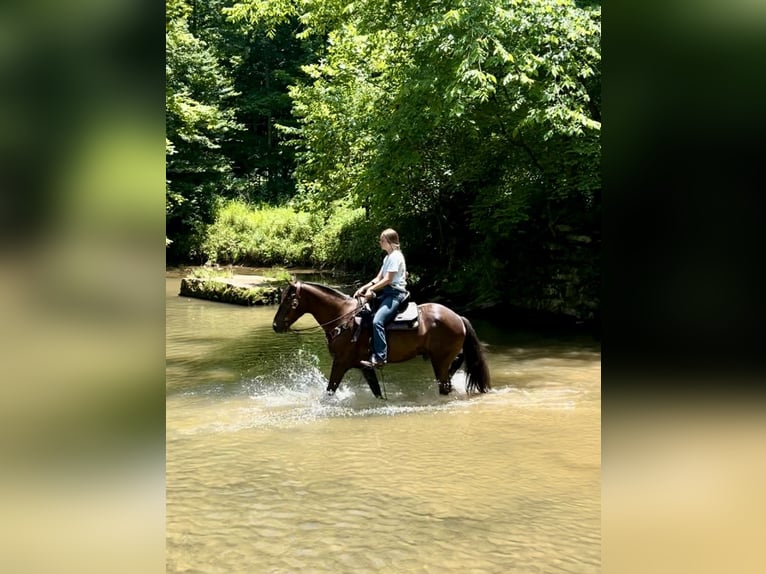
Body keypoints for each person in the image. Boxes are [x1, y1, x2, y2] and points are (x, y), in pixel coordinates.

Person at [353, 228, 408, 368]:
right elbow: (378, 278)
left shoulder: (395, 256)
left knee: (377, 321)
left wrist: (371, 289)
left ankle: (380, 357)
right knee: (365, 313)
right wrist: (364, 288)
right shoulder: (387, 257)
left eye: (382, 240)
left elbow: (388, 279)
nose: (380, 242)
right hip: (387, 292)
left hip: (395, 294)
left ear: (390, 242)